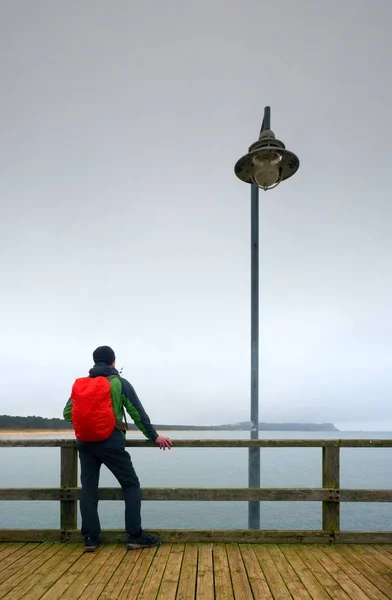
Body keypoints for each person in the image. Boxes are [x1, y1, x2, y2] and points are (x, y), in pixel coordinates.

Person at [63, 345, 172, 552]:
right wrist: (154, 436)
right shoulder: (119, 383)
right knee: (130, 485)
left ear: (94, 362)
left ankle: (90, 539)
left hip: (85, 443)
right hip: (111, 443)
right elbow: (138, 414)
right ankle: (135, 536)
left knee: (88, 489)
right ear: (113, 361)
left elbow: (67, 413)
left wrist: (89, 424)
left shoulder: (81, 386)